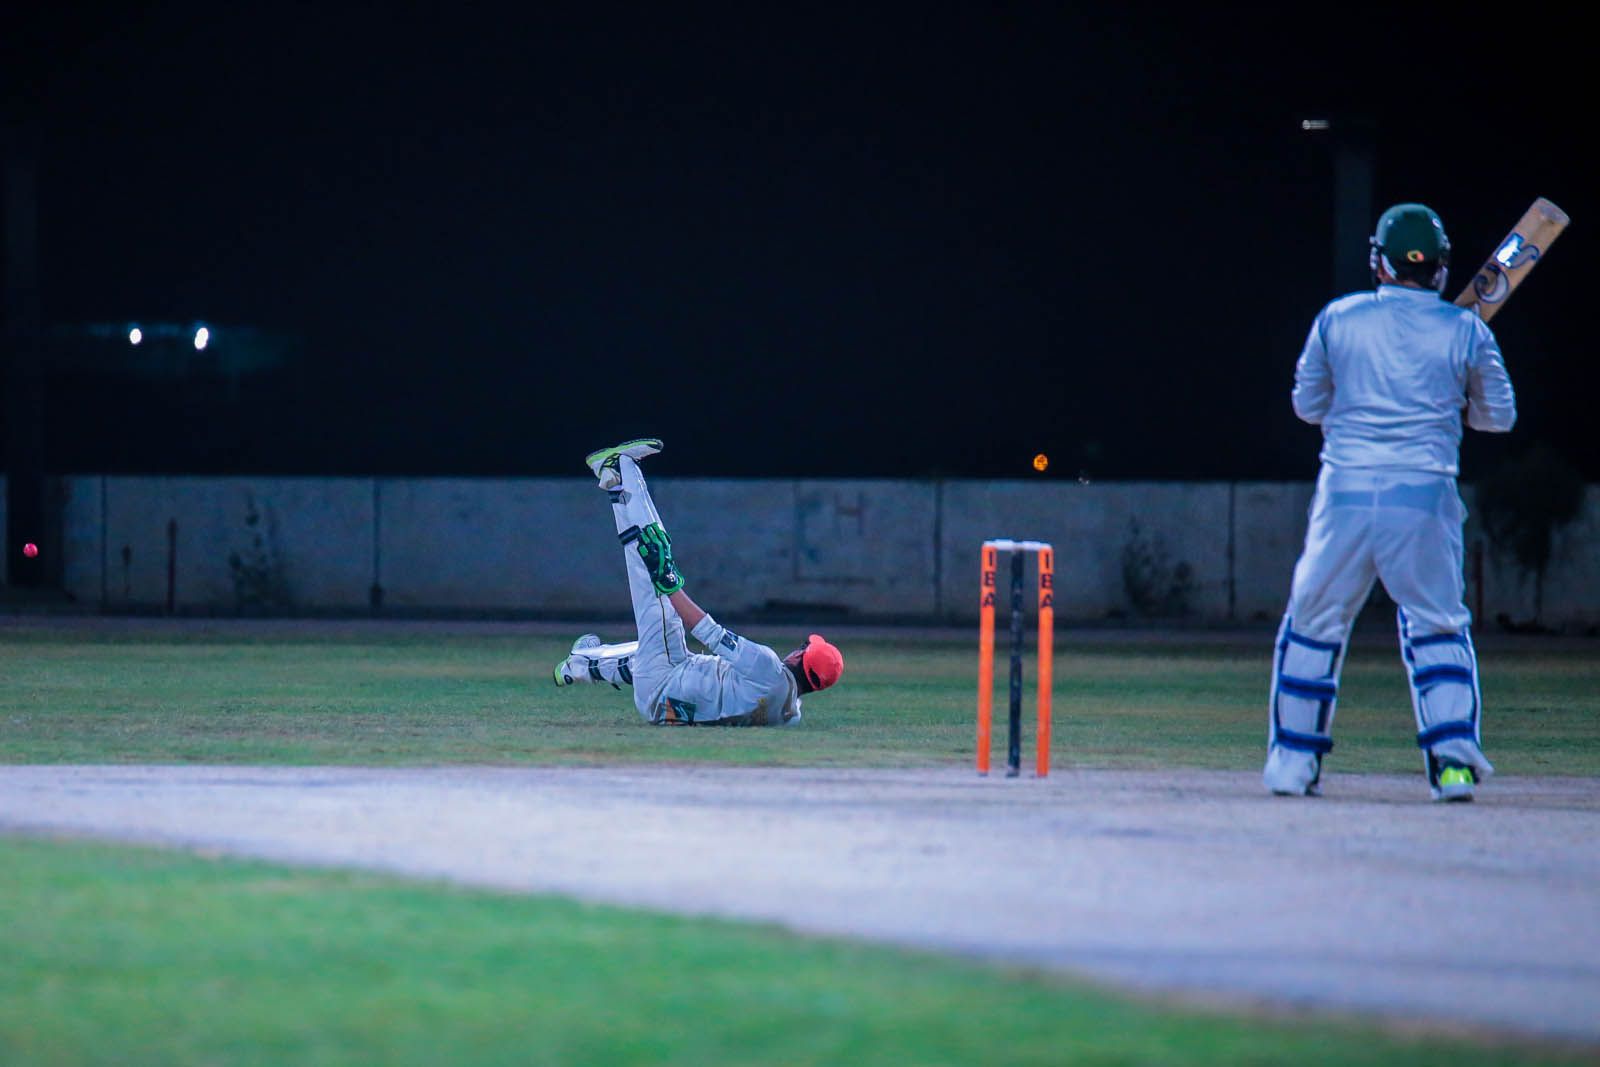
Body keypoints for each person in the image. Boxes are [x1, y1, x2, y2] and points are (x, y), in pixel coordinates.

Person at [1264, 203, 1517, 802]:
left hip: (1346, 493)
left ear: (1378, 261)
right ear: (1440, 268)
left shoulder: (1338, 318)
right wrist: (1452, 391)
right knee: (1438, 627)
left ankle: (1292, 767)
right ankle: (1453, 769)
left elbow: (1307, 406)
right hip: (1424, 496)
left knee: (1313, 625)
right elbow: (1498, 418)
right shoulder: (1467, 332)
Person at [551, 438, 844, 726]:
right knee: (653, 648)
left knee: (655, 554)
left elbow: (709, 632)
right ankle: (579, 664)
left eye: (803, 648)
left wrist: (670, 583)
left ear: (800, 657)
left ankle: (623, 467)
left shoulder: (767, 666)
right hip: (666, 707)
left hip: (664, 682)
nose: (797, 649)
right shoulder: (789, 717)